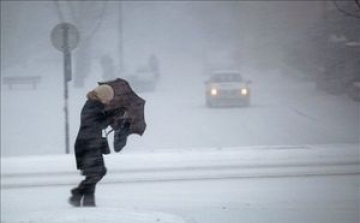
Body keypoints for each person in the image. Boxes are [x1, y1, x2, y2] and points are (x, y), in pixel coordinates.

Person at [69, 84, 115, 207]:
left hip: (90, 144)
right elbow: (97, 125)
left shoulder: (95, 106)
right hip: (87, 144)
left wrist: (110, 115)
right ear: (102, 96)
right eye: (108, 98)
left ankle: (87, 201)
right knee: (97, 172)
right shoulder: (92, 106)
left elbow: (99, 124)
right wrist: (110, 117)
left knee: (95, 173)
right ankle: (78, 193)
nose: (109, 101)